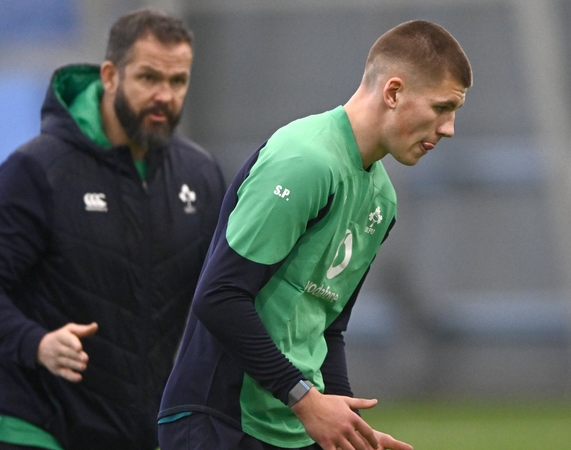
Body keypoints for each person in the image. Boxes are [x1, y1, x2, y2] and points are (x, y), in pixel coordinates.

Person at [157, 19, 472, 450]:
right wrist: (305, 399)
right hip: (219, 421)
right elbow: (219, 295)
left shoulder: (382, 199)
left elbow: (328, 327)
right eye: (441, 107)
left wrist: (348, 430)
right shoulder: (304, 159)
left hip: (292, 427)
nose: (449, 128)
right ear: (394, 92)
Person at [0, 9, 226, 450]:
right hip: (36, 418)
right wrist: (37, 343)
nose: (164, 96)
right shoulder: (36, 169)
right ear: (111, 75)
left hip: (136, 425)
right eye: (149, 78)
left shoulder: (201, 174)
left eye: (177, 82)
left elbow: (219, 293)